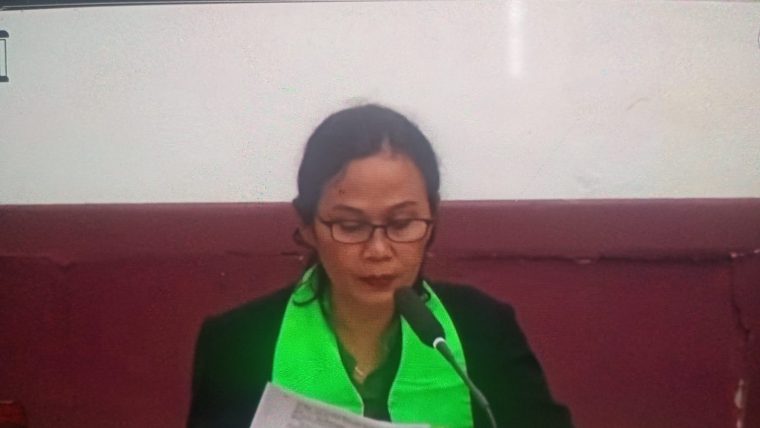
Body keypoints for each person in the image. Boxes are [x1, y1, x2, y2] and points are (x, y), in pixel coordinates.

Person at [187, 104, 574, 428]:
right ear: (307, 227)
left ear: (432, 220)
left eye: (401, 223)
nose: (377, 250)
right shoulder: (238, 342)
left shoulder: (484, 328)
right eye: (350, 226)